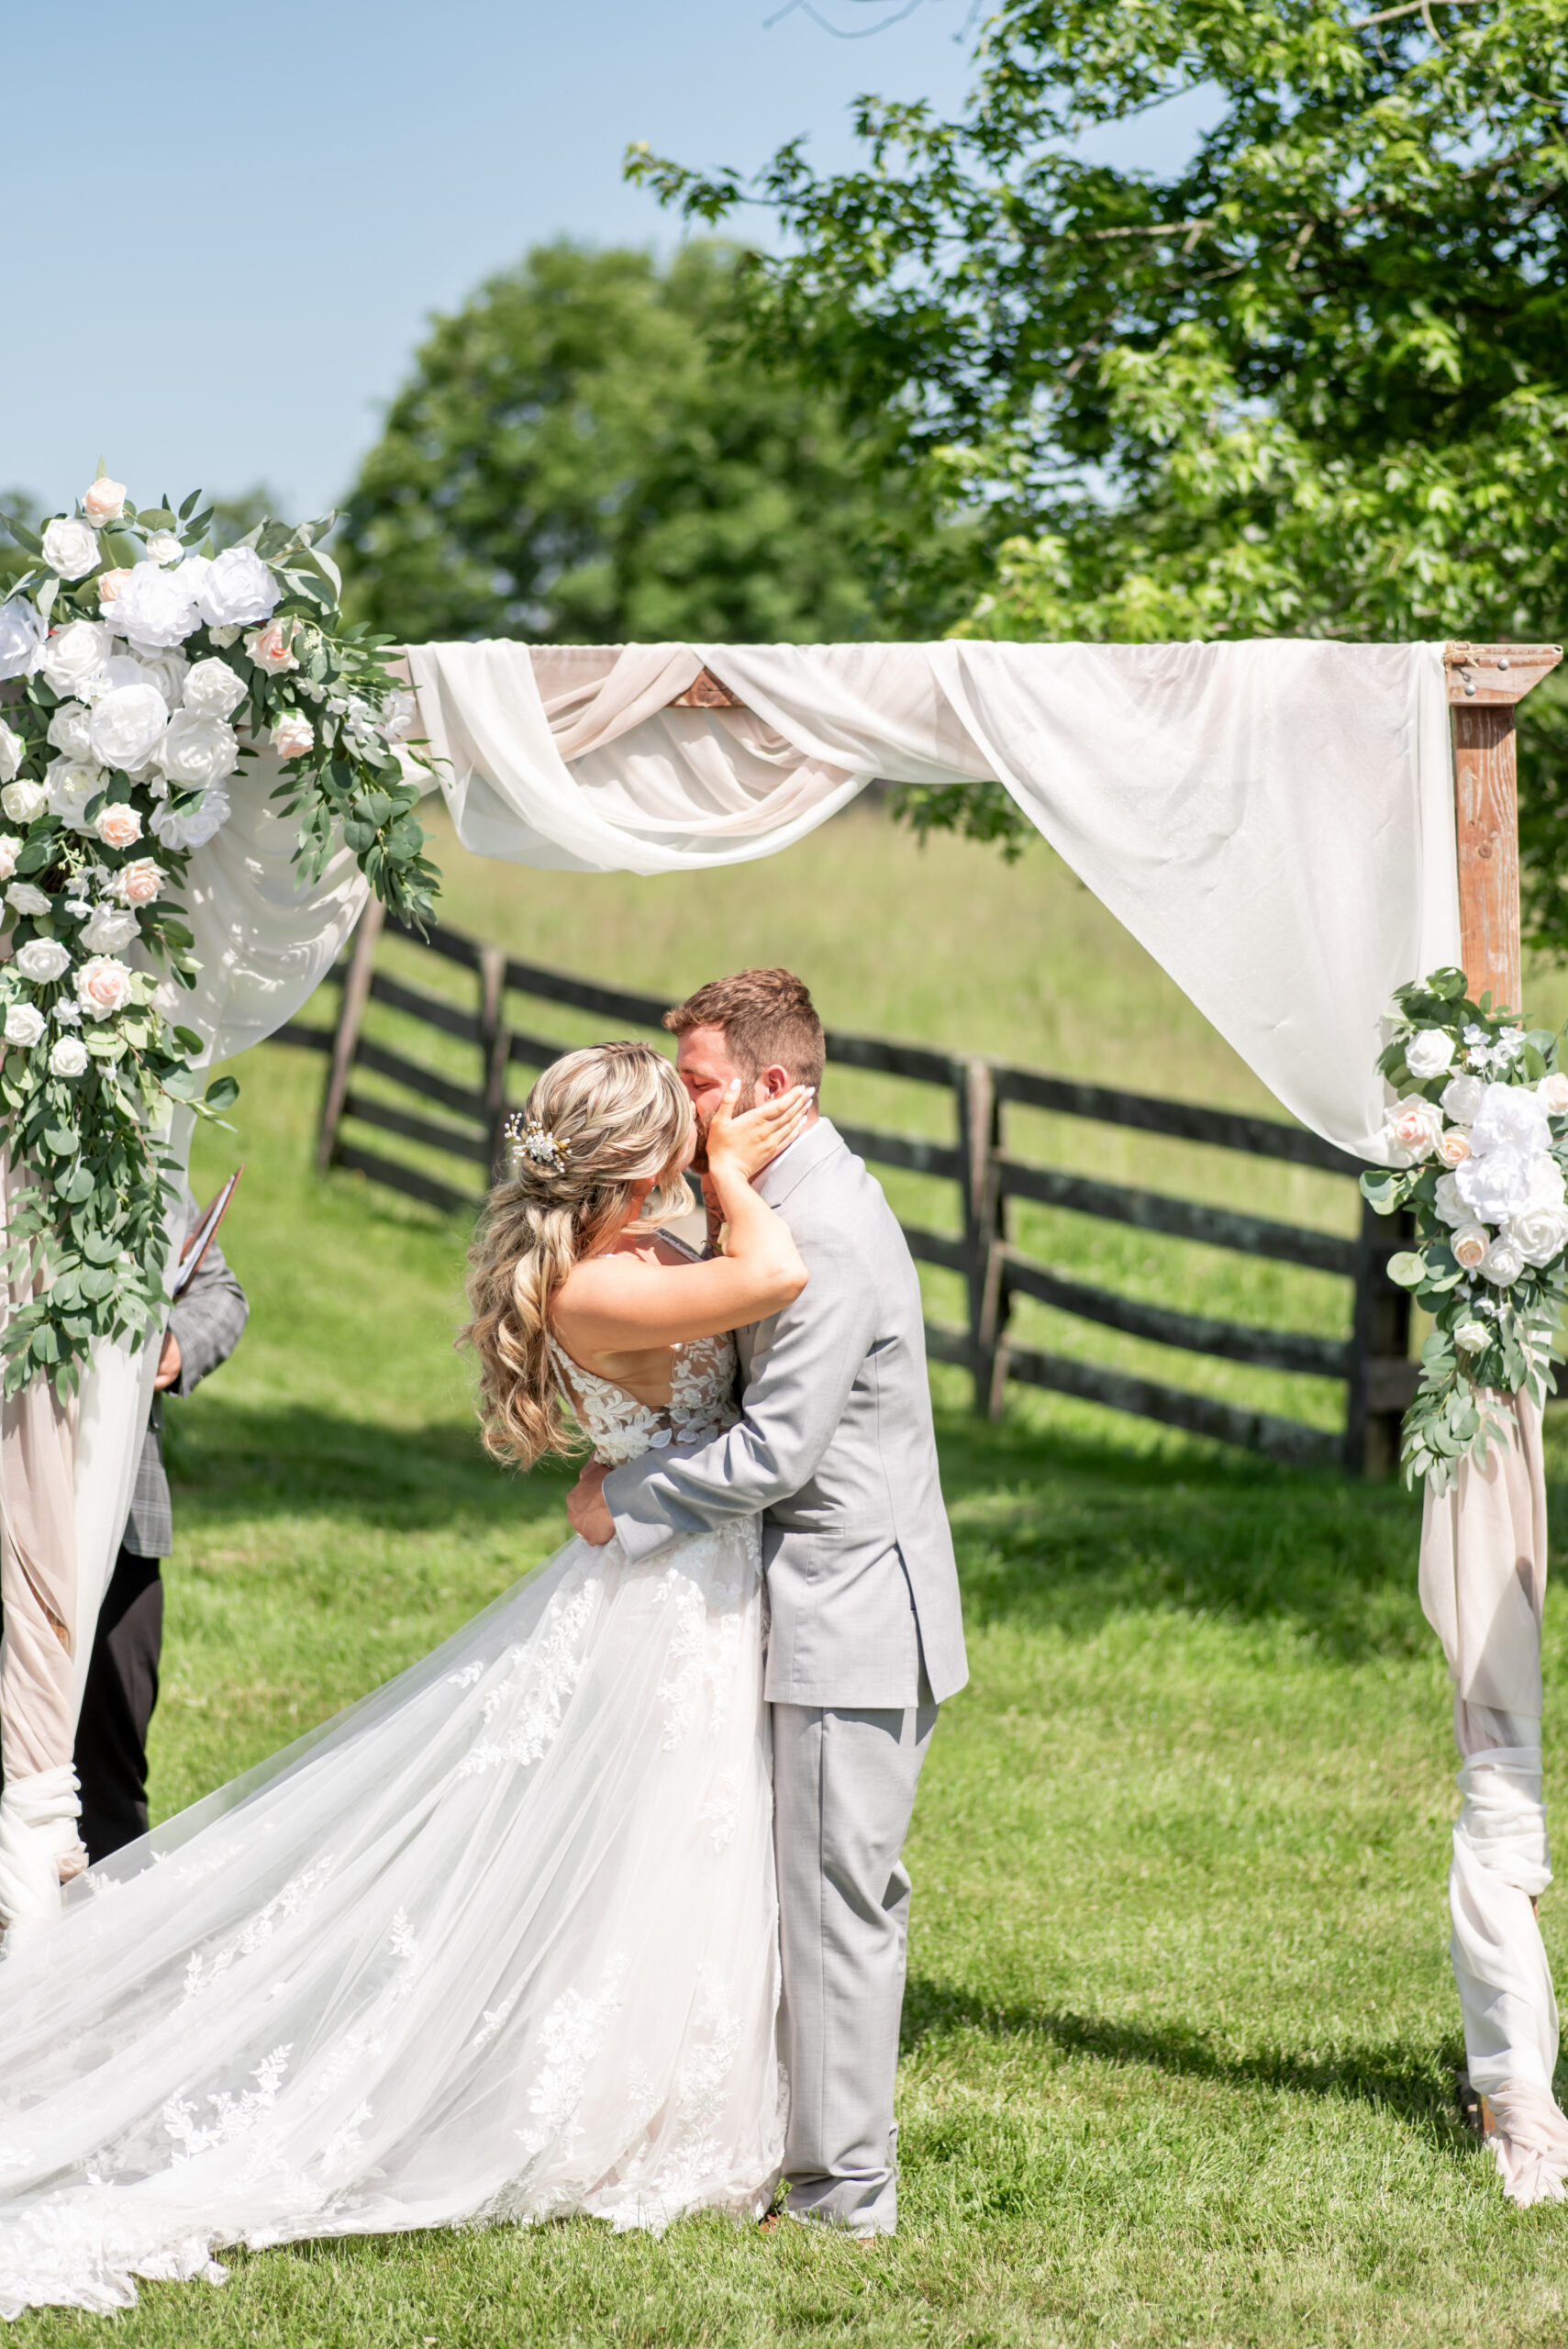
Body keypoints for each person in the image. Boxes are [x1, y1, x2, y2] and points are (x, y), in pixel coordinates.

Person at [0, 1042, 812, 2321]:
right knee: (665, 1842)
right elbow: (774, 1274)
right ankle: (626, 2113)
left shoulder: (630, 1256)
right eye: (677, 1139)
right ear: (639, 1168)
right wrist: (728, 1167)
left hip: (679, 1570)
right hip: (669, 1597)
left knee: (667, 1849)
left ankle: (662, 2089)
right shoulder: (603, 1287)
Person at [567, 968, 967, 2239]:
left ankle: (845, 2197)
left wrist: (622, 1502)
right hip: (788, 1596)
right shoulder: (772, 1199)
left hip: (848, 1615)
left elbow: (780, 1450)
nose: (681, 1117)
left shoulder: (828, 1225)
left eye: (696, 1088)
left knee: (837, 1905)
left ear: (773, 1088)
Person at [73, 1200, 249, 1863]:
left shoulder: (136, 1154)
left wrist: (176, 1343)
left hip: (121, 1515)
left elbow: (220, 1294)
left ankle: (107, 1947)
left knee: (110, 1785)